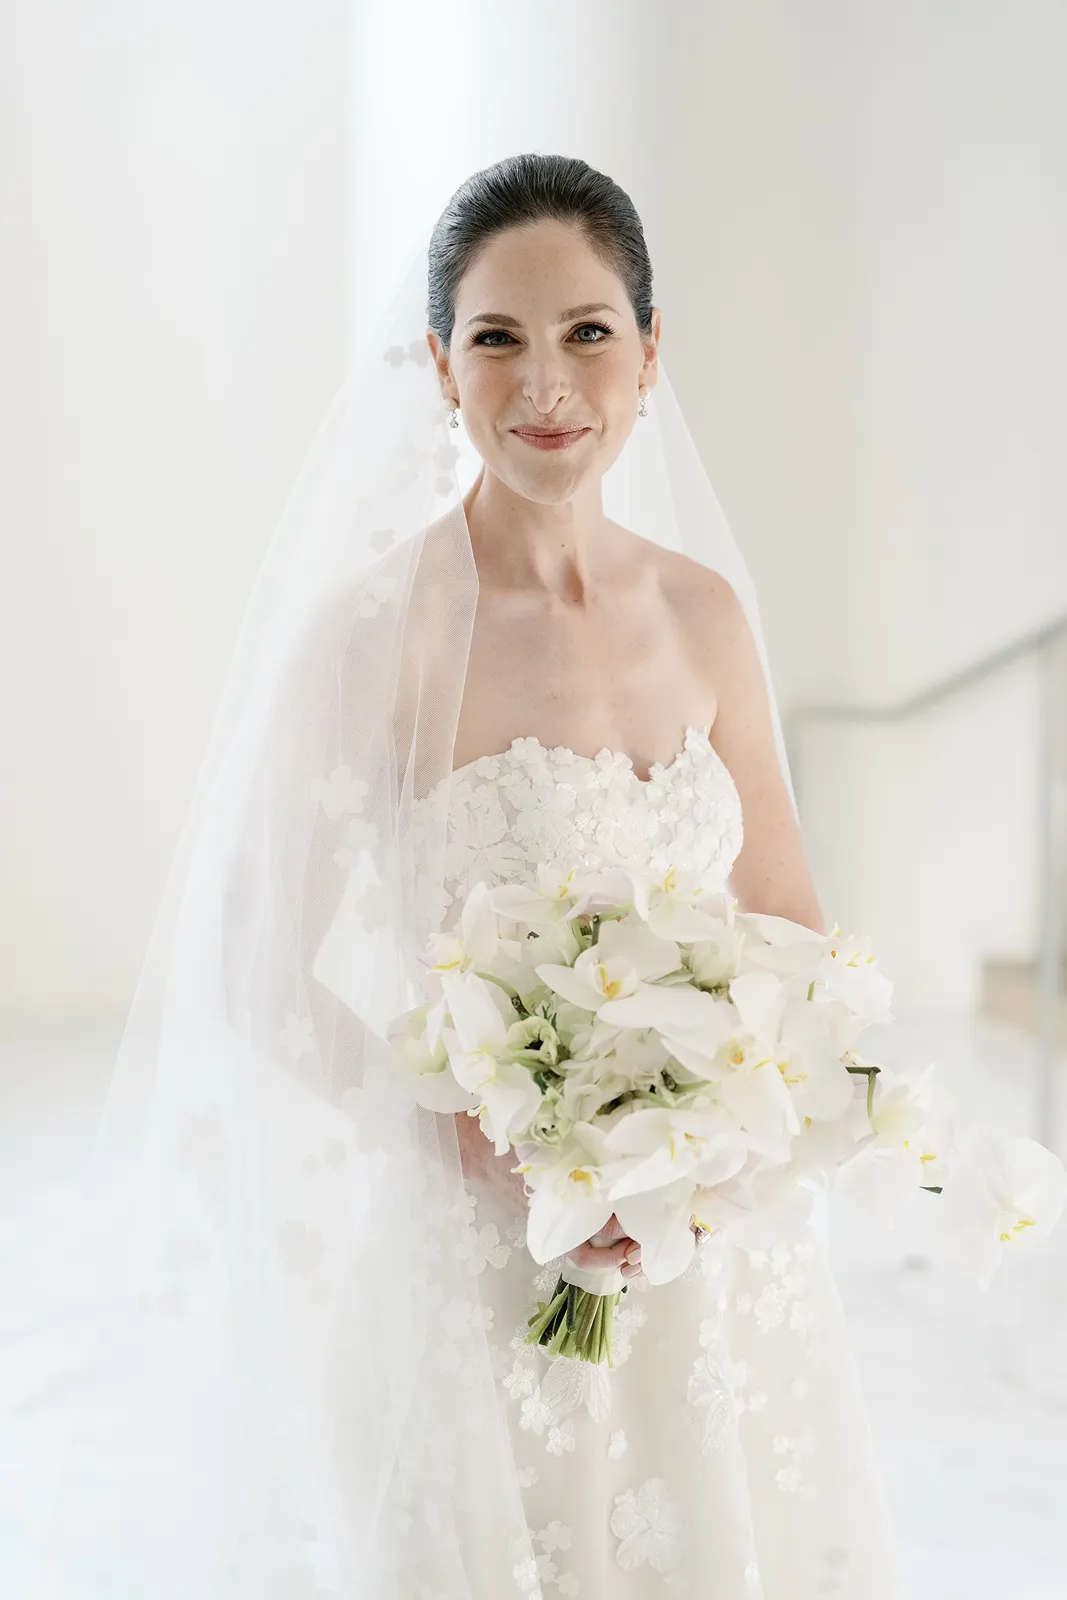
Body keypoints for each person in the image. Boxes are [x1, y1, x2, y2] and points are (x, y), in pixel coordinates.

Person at [2, 154, 901, 1598]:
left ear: (650, 352)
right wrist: (477, 1139)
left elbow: (787, 917)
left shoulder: (701, 614)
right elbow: (254, 954)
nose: (545, 382)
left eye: (587, 332)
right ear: (439, 367)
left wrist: (720, 1145)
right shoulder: (381, 633)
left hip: (708, 1254)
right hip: (487, 1249)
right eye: (496, 338)